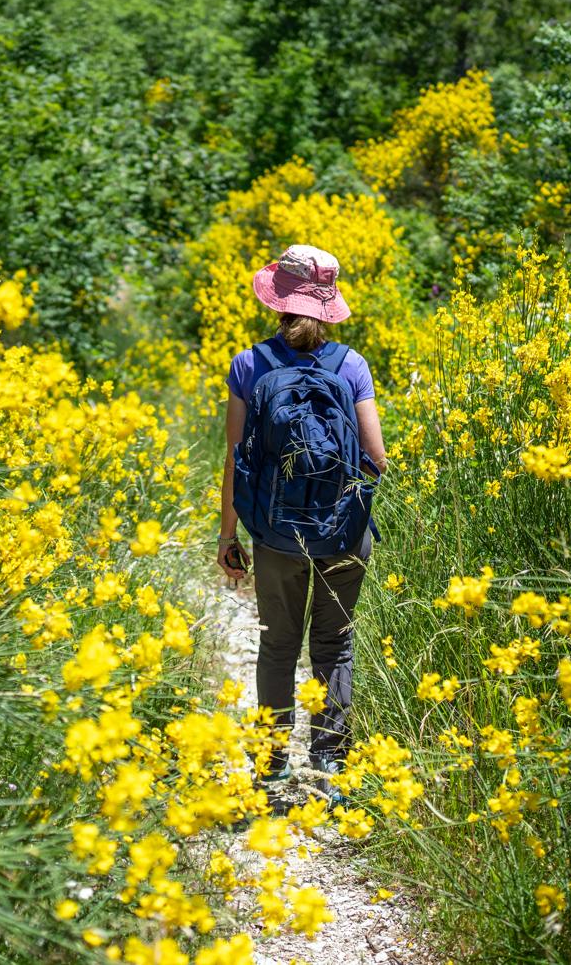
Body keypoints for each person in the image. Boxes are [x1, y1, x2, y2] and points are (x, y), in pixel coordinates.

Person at [217, 244, 387, 794]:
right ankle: (330, 764)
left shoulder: (249, 366)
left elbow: (237, 458)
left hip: (275, 535)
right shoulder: (351, 366)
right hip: (343, 533)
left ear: (277, 303)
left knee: (277, 645)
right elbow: (377, 459)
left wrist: (229, 535)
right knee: (334, 646)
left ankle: (271, 764)